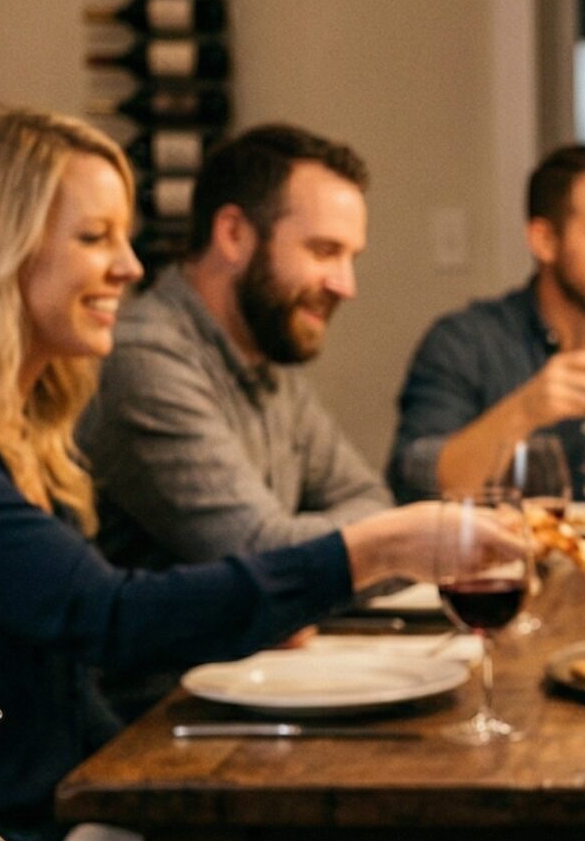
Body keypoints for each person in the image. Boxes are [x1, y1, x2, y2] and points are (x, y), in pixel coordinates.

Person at [0, 106, 490, 841]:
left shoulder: (15, 425)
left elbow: (68, 675)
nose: (131, 267)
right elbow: (105, 617)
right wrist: (370, 548)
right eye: (96, 237)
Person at [78, 125, 392, 572]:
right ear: (233, 234)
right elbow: (262, 558)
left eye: (351, 258)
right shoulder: (144, 359)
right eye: (324, 251)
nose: (346, 285)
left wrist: (363, 544)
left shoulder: (270, 358)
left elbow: (370, 499)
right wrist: (393, 546)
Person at [390, 145, 585, 504]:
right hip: (514, 557)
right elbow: (416, 482)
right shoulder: (465, 341)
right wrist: (525, 410)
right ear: (544, 241)